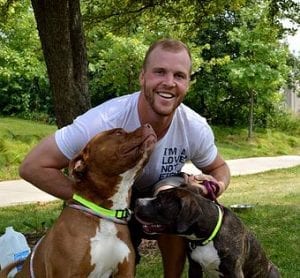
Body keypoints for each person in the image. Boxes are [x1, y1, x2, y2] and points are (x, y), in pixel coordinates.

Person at [19, 38, 230, 277]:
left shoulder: (194, 127)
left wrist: (215, 186)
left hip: (156, 199)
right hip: (107, 201)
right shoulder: (103, 121)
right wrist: (93, 199)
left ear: (188, 83)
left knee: (173, 194)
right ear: (142, 77)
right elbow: (33, 166)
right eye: (159, 72)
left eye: (179, 76)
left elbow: (220, 167)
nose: (169, 83)